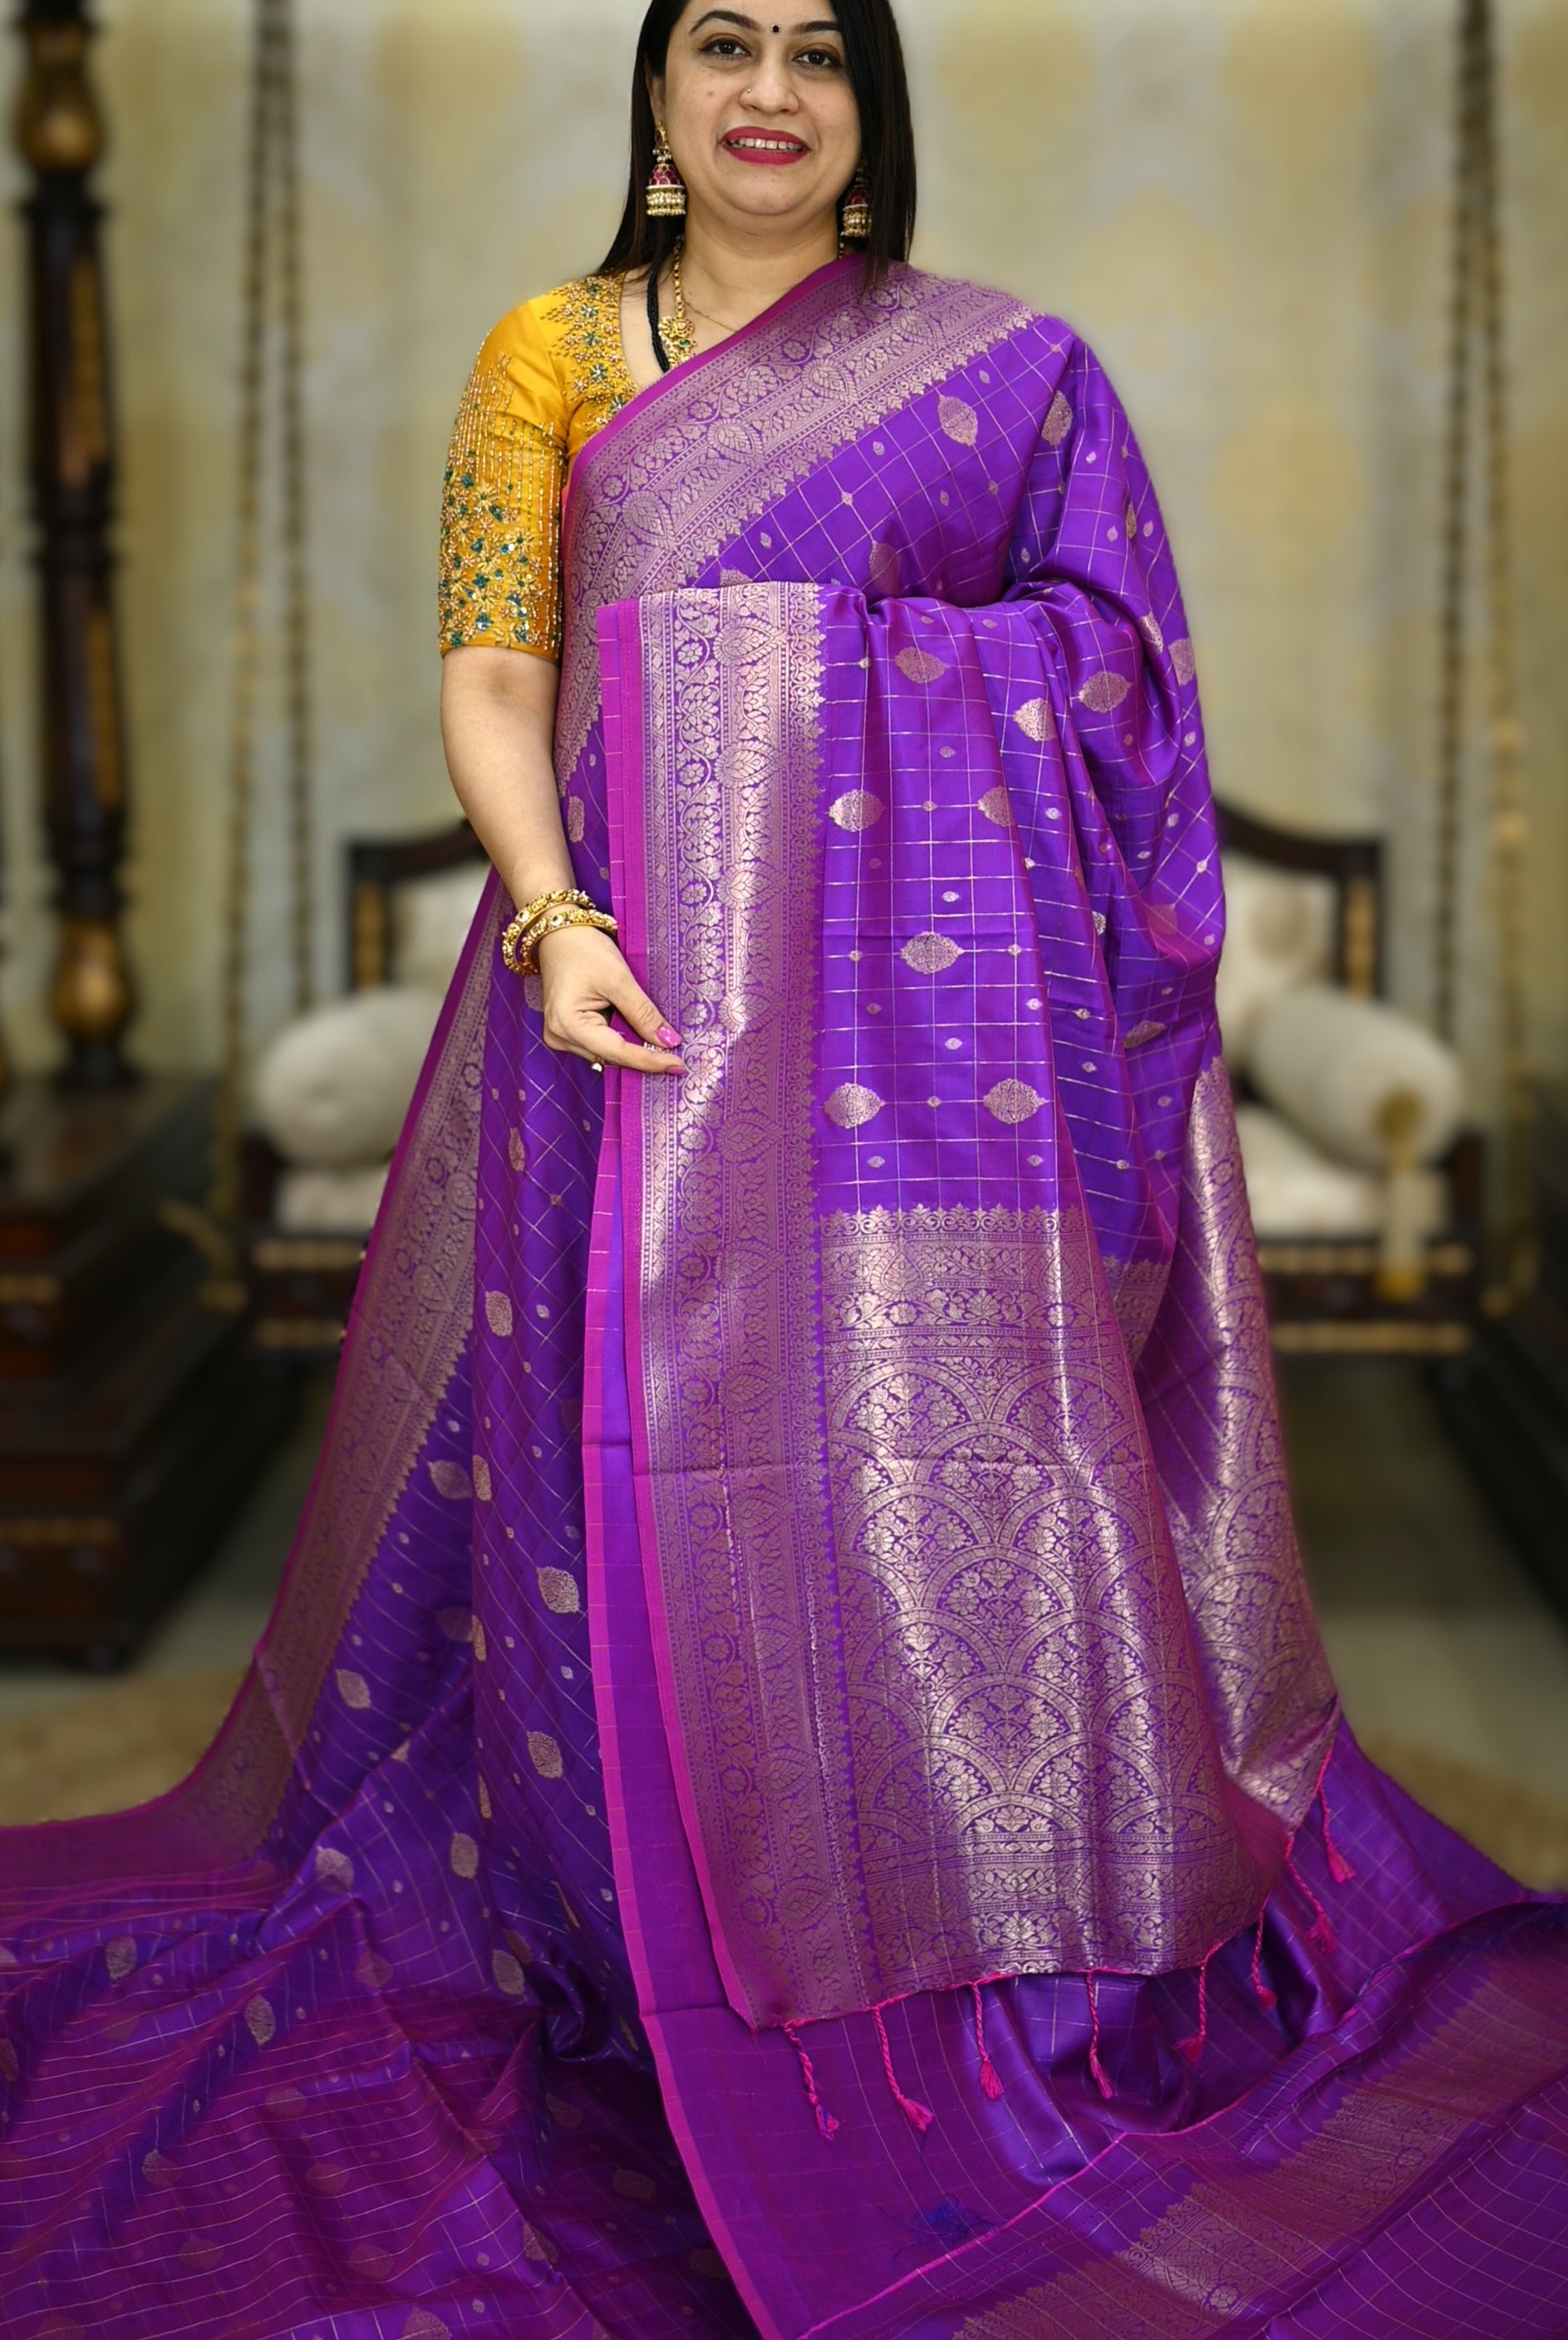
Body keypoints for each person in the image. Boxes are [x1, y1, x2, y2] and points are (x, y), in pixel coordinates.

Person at [2, 5, 1566, 2334]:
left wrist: (814, 698)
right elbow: (497, 673)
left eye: (820, 54)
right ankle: (635, 1958)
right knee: (611, 1510)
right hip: (618, 1027)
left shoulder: (1004, 373)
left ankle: (946, 1938)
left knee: (908, 1499)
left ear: (870, 109)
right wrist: (553, 916)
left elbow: (1121, 682)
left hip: (921, 1084)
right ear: (655, 96)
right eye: (721, 42)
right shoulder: (549, 358)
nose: (768, 90)